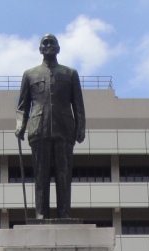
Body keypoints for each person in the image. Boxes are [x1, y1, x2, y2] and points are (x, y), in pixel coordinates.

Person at [15, 33, 86, 220]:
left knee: (64, 175)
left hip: (65, 129)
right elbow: (22, 106)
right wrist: (20, 125)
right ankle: (41, 215)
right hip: (39, 129)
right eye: (45, 43)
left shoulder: (70, 74)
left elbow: (78, 104)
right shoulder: (29, 75)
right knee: (41, 175)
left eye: (52, 43)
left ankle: (65, 213)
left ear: (58, 48)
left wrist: (80, 127)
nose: (48, 46)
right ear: (40, 49)